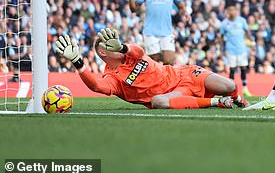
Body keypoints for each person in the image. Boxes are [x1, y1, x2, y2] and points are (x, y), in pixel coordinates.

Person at [54, 28, 248, 109]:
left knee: (229, 85)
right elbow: (96, 86)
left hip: (183, 74)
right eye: (108, 45)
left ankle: (237, 98)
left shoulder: (129, 52)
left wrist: (122, 47)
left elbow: (139, 51)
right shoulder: (112, 77)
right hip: (173, 94)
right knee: (158, 102)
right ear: (102, 53)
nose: (114, 45)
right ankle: (217, 103)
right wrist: (78, 62)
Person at [125, 0, 190, 65]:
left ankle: (165, 81)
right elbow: (134, 9)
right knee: (153, 63)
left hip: (167, 31)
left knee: (169, 61)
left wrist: (185, 13)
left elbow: (181, 5)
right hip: (150, 31)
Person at [220, 5, 253, 97]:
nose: (232, 13)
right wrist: (220, 49)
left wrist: (252, 42)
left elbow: (247, 32)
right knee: (232, 69)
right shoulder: (224, 23)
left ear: (236, 12)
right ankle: (231, 89)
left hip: (241, 48)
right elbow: (221, 37)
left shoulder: (242, 21)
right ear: (227, 12)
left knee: (243, 67)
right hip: (230, 49)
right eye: (230, 11)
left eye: (233, 11)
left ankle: (245, 88)